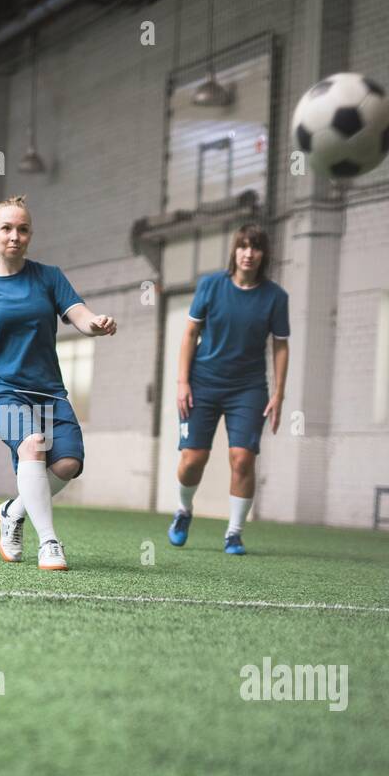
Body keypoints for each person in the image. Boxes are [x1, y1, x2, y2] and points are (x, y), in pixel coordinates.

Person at [0, 195, 116, 571]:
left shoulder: (49, 278)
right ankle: (49, 542)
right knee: (33, 445)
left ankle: (12, 511)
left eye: (23, 229)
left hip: (49, 390)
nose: (15, 236)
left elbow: (76, 312)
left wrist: (94, 323)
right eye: (7, 228)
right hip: (2, 390)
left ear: (30, 234)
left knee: (67, 463)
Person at [167, 224, 289, 554]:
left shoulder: (276, 297)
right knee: (192, 459)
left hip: (248, 388)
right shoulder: (210, 286)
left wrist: (278, 392)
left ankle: (234, 532)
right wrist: (182, 382)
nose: (249, 253)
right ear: (234, 251)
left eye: (256, 247)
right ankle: (183, 510)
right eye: (243, 246)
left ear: (264, 255)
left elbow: (280, 346)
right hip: (202, 383)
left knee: (242, 458)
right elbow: (190, 334)